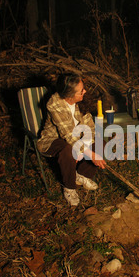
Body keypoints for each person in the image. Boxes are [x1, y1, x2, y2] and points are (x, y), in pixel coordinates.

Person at [37, 73, 106, 206]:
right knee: (67, 149)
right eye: (81, 91)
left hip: (76, 137)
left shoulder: (81, 101)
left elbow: (90, 127)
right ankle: (69, 187)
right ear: (69, 95)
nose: (85, 91)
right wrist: (90, 154)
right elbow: (68, 136)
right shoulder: (54, 104)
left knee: (100, 143)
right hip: (53, 139)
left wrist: (90, 147)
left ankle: (81, 176)